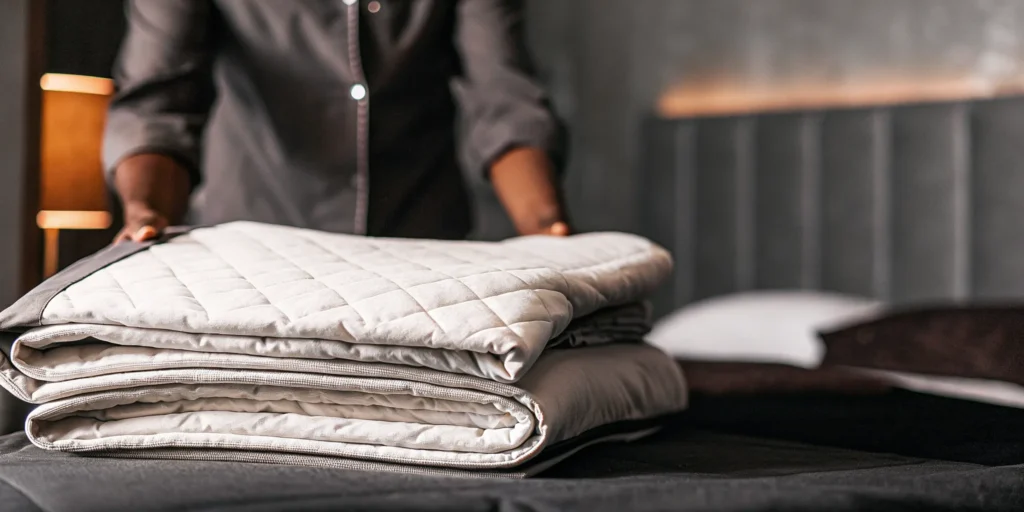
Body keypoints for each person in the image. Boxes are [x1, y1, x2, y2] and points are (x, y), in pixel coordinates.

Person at [104, 1, 570, 243]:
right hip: (253, 246)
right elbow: (158, 99)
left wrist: (545, 228)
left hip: (420, 251)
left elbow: (503, 95)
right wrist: (148, 212)